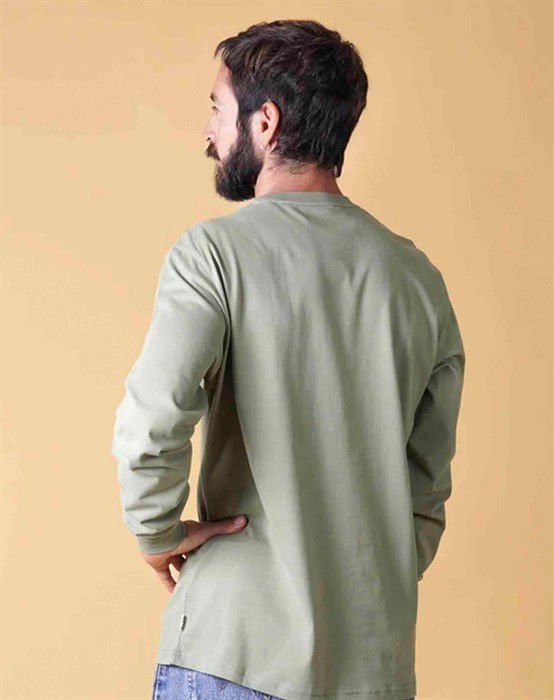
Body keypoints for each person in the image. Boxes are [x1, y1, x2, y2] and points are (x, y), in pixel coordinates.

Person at [111, 18, 465, 700]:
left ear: (266, 122)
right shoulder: (420, 281)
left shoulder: (213, 255)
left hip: (235, 650)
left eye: (217, 109)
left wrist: (155, 533)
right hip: (374, 667)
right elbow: (427, 487)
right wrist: (366, 582)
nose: (209, 132)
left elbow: (153, 421)